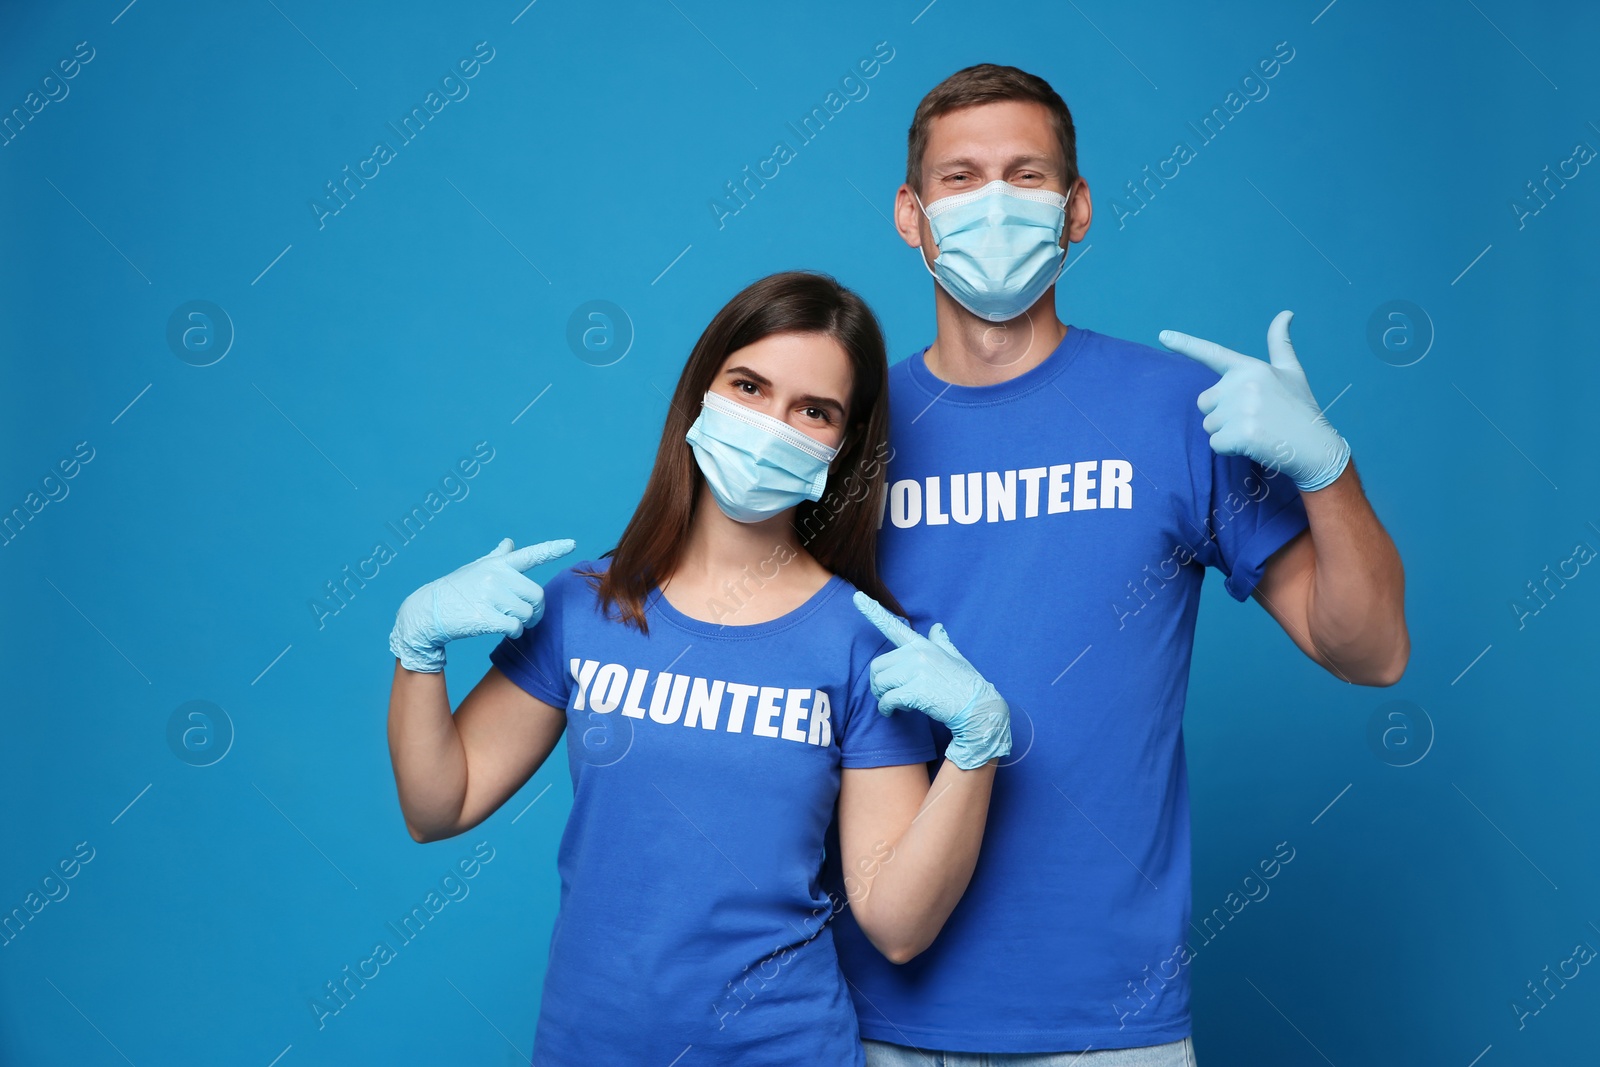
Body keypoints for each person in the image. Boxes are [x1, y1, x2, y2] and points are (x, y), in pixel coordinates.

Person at [826, 65, 1410, 1065]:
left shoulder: (1177, 411)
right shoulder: (844, 433)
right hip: (872, 1008)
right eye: (960, 178)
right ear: (909, 215)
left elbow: (1367, 652)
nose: (994, 202)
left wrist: (1328, 467)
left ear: (1078, 206)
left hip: (1111, 1022)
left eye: (1026, 172)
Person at [384, 271, 1015, 1065]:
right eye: (749, 385)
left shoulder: (860, 642)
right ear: (699, 394)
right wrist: (417, 648)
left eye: (812, 410)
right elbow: (438, 806)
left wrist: (978, 748)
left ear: (843, 444)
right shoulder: (586, 609)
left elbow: (897, 924)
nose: (771, 425)